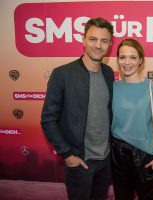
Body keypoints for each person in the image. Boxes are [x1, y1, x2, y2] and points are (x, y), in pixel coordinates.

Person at [41, 17, 114, 200]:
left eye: (104, 41)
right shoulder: (62, 74)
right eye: (93, 39)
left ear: (110, 44)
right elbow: (48, 119)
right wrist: (67, 154)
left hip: (105, 161)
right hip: (80, 162)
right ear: (83, 40)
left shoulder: (108, 73)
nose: (98, 45)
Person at [111, 38, 153, 200]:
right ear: (117, 60)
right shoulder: (112, 87)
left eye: (133, 57)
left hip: (145, 154)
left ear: (141, 60)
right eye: (122, 57)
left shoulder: (152, 87)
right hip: (117, 153)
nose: (127, 62)